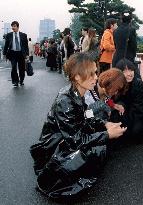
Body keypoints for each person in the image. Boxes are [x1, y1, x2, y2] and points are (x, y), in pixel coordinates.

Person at [30, 52, 127, 199]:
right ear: (77, 76)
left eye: (96, 72)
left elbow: (88, 117)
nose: (96, 77)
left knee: (99, 148)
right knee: (93, 151)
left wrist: (106, 124)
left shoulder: (77, 94)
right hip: (54, 145)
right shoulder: (65, 101)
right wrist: (107, 134)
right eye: (92, 74)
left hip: (68, 137)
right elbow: (75, 140)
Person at [113, 58, 143, 143]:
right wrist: (119, 104)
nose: (129, 74)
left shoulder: (138, 84)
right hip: (123, 111)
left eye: (131, 70)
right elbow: (114, 101)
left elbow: (138, 107)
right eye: (124, 71)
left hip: (138, 112)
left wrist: (129, 125)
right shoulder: (116, 84)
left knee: (136, 134)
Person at [3, 21, 29, 87]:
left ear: (17, 27)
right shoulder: (9, 35)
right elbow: (6, 45)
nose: (13, 27)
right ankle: (15, 81)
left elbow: (26, 46)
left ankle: (21, 80)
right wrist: (4, 54)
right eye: (12, 26)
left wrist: (27, 55)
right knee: (13, 67)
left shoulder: (23, 35)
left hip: (21, 54)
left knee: (22, 68)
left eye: (14, 26)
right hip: (12, 54)